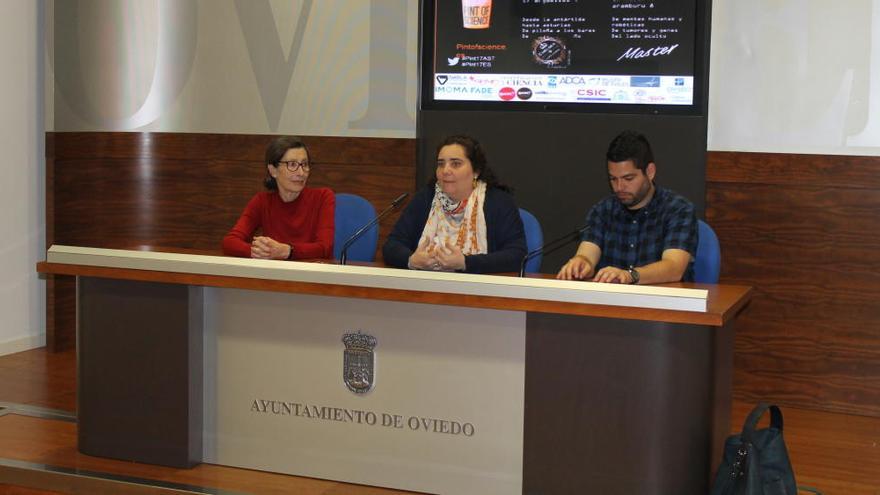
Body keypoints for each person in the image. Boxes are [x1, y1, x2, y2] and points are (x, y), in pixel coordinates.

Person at [557, 130, 698, 284]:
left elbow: (674, 269)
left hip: (664, 303)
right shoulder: (603, 211)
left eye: (628, 178)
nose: (619, 187)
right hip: (611, 304)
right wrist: (581, 262)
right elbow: (588, 254)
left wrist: (629, 275)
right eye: (613, 179)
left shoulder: (678, 209)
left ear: (650, 172)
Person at [383, 135, 526, 274]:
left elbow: (517, 255)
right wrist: (411, 260)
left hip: (480, 291)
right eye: (441, 164)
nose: (446, 170)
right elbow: (391, 245)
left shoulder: (498, 202)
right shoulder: (425, 198)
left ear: (476, 171)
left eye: (455, 164)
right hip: (426, 287)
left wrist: (465, 263)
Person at [222, 136, 335, 260]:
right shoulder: (262, 201)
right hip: (273, 276)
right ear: (273, 170)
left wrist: (287, 251)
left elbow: (325, 248)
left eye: (305, 164)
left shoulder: (323, 197)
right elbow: (229, 242)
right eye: (292, 164)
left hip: (312, 275)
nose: (301, 173)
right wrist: (259, 252)